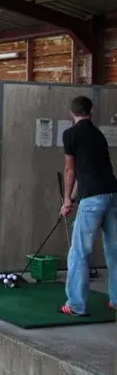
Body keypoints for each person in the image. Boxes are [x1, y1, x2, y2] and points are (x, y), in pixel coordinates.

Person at [60, 95, 117, 316]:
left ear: (71, 113)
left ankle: (75, 305)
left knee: (79, 253)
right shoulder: (98, 134)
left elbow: (71, 171)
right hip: (113, 194)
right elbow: (87, 172)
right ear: (90, 111)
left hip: (93, 198)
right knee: (114, 251)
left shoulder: (70, 134)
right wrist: (72, 200)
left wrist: (66, 200)